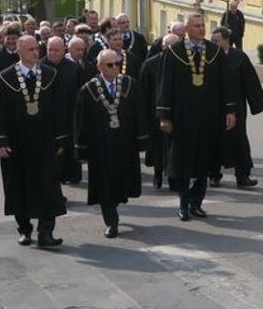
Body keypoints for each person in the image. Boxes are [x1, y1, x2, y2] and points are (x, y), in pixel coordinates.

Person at [0, 35, 72, 248]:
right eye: (31, 49)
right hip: (17, 144)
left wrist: (61, 138)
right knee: (18, 187)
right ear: (19, 51)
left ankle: (46, 232)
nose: (36, 52)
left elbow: (60, 110)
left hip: (44, 142)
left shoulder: (51, 75)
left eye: (37, 48)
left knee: (48, 186)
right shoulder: (4, 78)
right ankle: (24, 229)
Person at [157, 13, 237, 221]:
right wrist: (164, 116)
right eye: (197, 26)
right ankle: (184, 203)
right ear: (187, 29)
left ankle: (197, 202)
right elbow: (165, 85)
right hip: (182, 118)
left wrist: (229, 110)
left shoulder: (214, 51)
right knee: (184, 162)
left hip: (208, 116)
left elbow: (225, 84)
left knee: (204, 161)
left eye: (203, 26)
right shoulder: (174, 52)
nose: (201, 29)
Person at [75, 49, 148, 238]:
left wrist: (142, 139)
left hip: (124, 143)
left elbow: (140, 113)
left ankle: (114, 206)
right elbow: (82, 121)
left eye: (117, 63)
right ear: (99, 67)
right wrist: (81, 149)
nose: (115, 67)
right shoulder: (88, 90)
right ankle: (111, 220)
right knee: (105, 184)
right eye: (110, 64)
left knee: (121, 181)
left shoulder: (130, 84)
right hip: (101, 146)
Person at [210, 26, 263, 188]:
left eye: (217, 40)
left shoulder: (239, 57)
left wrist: (257, 102)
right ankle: (214, 174)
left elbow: (250, 81)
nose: (213, 43)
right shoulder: (209, 56)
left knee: (239, 141)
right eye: (212, 40)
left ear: (227, 41)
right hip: (214, 106)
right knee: (214, 140)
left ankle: (242, 176)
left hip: (237, 106)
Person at [140, 33, 179, 190]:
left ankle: (173, 177)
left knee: (174, 147)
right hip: (155, 113)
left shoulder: (182, 63)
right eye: (168, 46)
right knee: (158, 146)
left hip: (177, 113)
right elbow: (143, 92)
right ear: (163, 46)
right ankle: (158, 173)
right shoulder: (150, 64)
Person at [44, 36, 83, 184]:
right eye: (50, 50)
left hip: (69, 114)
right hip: (49, 117)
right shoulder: (40, 66)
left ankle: (72, 174)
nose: (53, 53)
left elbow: (80, 91)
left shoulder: (73, 68)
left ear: (64, 50)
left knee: (70, 147)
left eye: (56, 50)